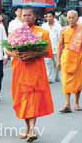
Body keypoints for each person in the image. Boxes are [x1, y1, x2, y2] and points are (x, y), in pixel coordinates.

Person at [5, 7, 54, 142]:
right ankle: (27, 128)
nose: (26, 18)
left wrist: (34, 53)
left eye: (29, 15)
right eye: (24, 15)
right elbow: (7, 49)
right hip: (20, 71)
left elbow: (47, 51)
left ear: (35, 17)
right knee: (22, 100)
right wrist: (14, 53)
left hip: (35, 72)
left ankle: (32, 130)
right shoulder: (16, 32)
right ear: (21, 17)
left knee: (32, 100)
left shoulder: (42, 32)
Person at [57, 10, 82, 113]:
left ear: (77, 18)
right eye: (69, 17)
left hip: (78, 57)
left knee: (77, 82)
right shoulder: (63, 30)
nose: (71, 20)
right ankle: (67, 104)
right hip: (66, 57)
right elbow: (60, 46)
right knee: (65, 82)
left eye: (73, 17)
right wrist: (58, 60)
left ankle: (77, 103)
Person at [41, 11, 62, 83]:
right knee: (48, 63)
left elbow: (60, 37)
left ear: (53, 17)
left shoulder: (58, 26)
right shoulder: (44, 26)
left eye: (50, 16)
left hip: (56, 47)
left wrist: (61, 47)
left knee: (57, 63)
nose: (48, 18)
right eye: (47, 17)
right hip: (46, 47)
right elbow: (41, 36)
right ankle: (49, 78)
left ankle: (57, 76)